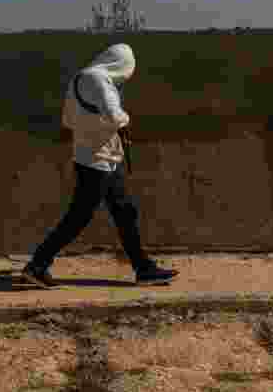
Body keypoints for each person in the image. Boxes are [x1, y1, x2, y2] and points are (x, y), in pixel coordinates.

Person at [22, 43, 178, 288]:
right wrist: (123, 122)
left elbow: (68, 120)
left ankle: (144, 268)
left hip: (99, 158)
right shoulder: (98, 79)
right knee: (78, 218)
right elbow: (115, 115)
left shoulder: (81, 78)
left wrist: (96, 128)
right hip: (96, 161)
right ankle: (37, 265)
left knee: (124, 212)